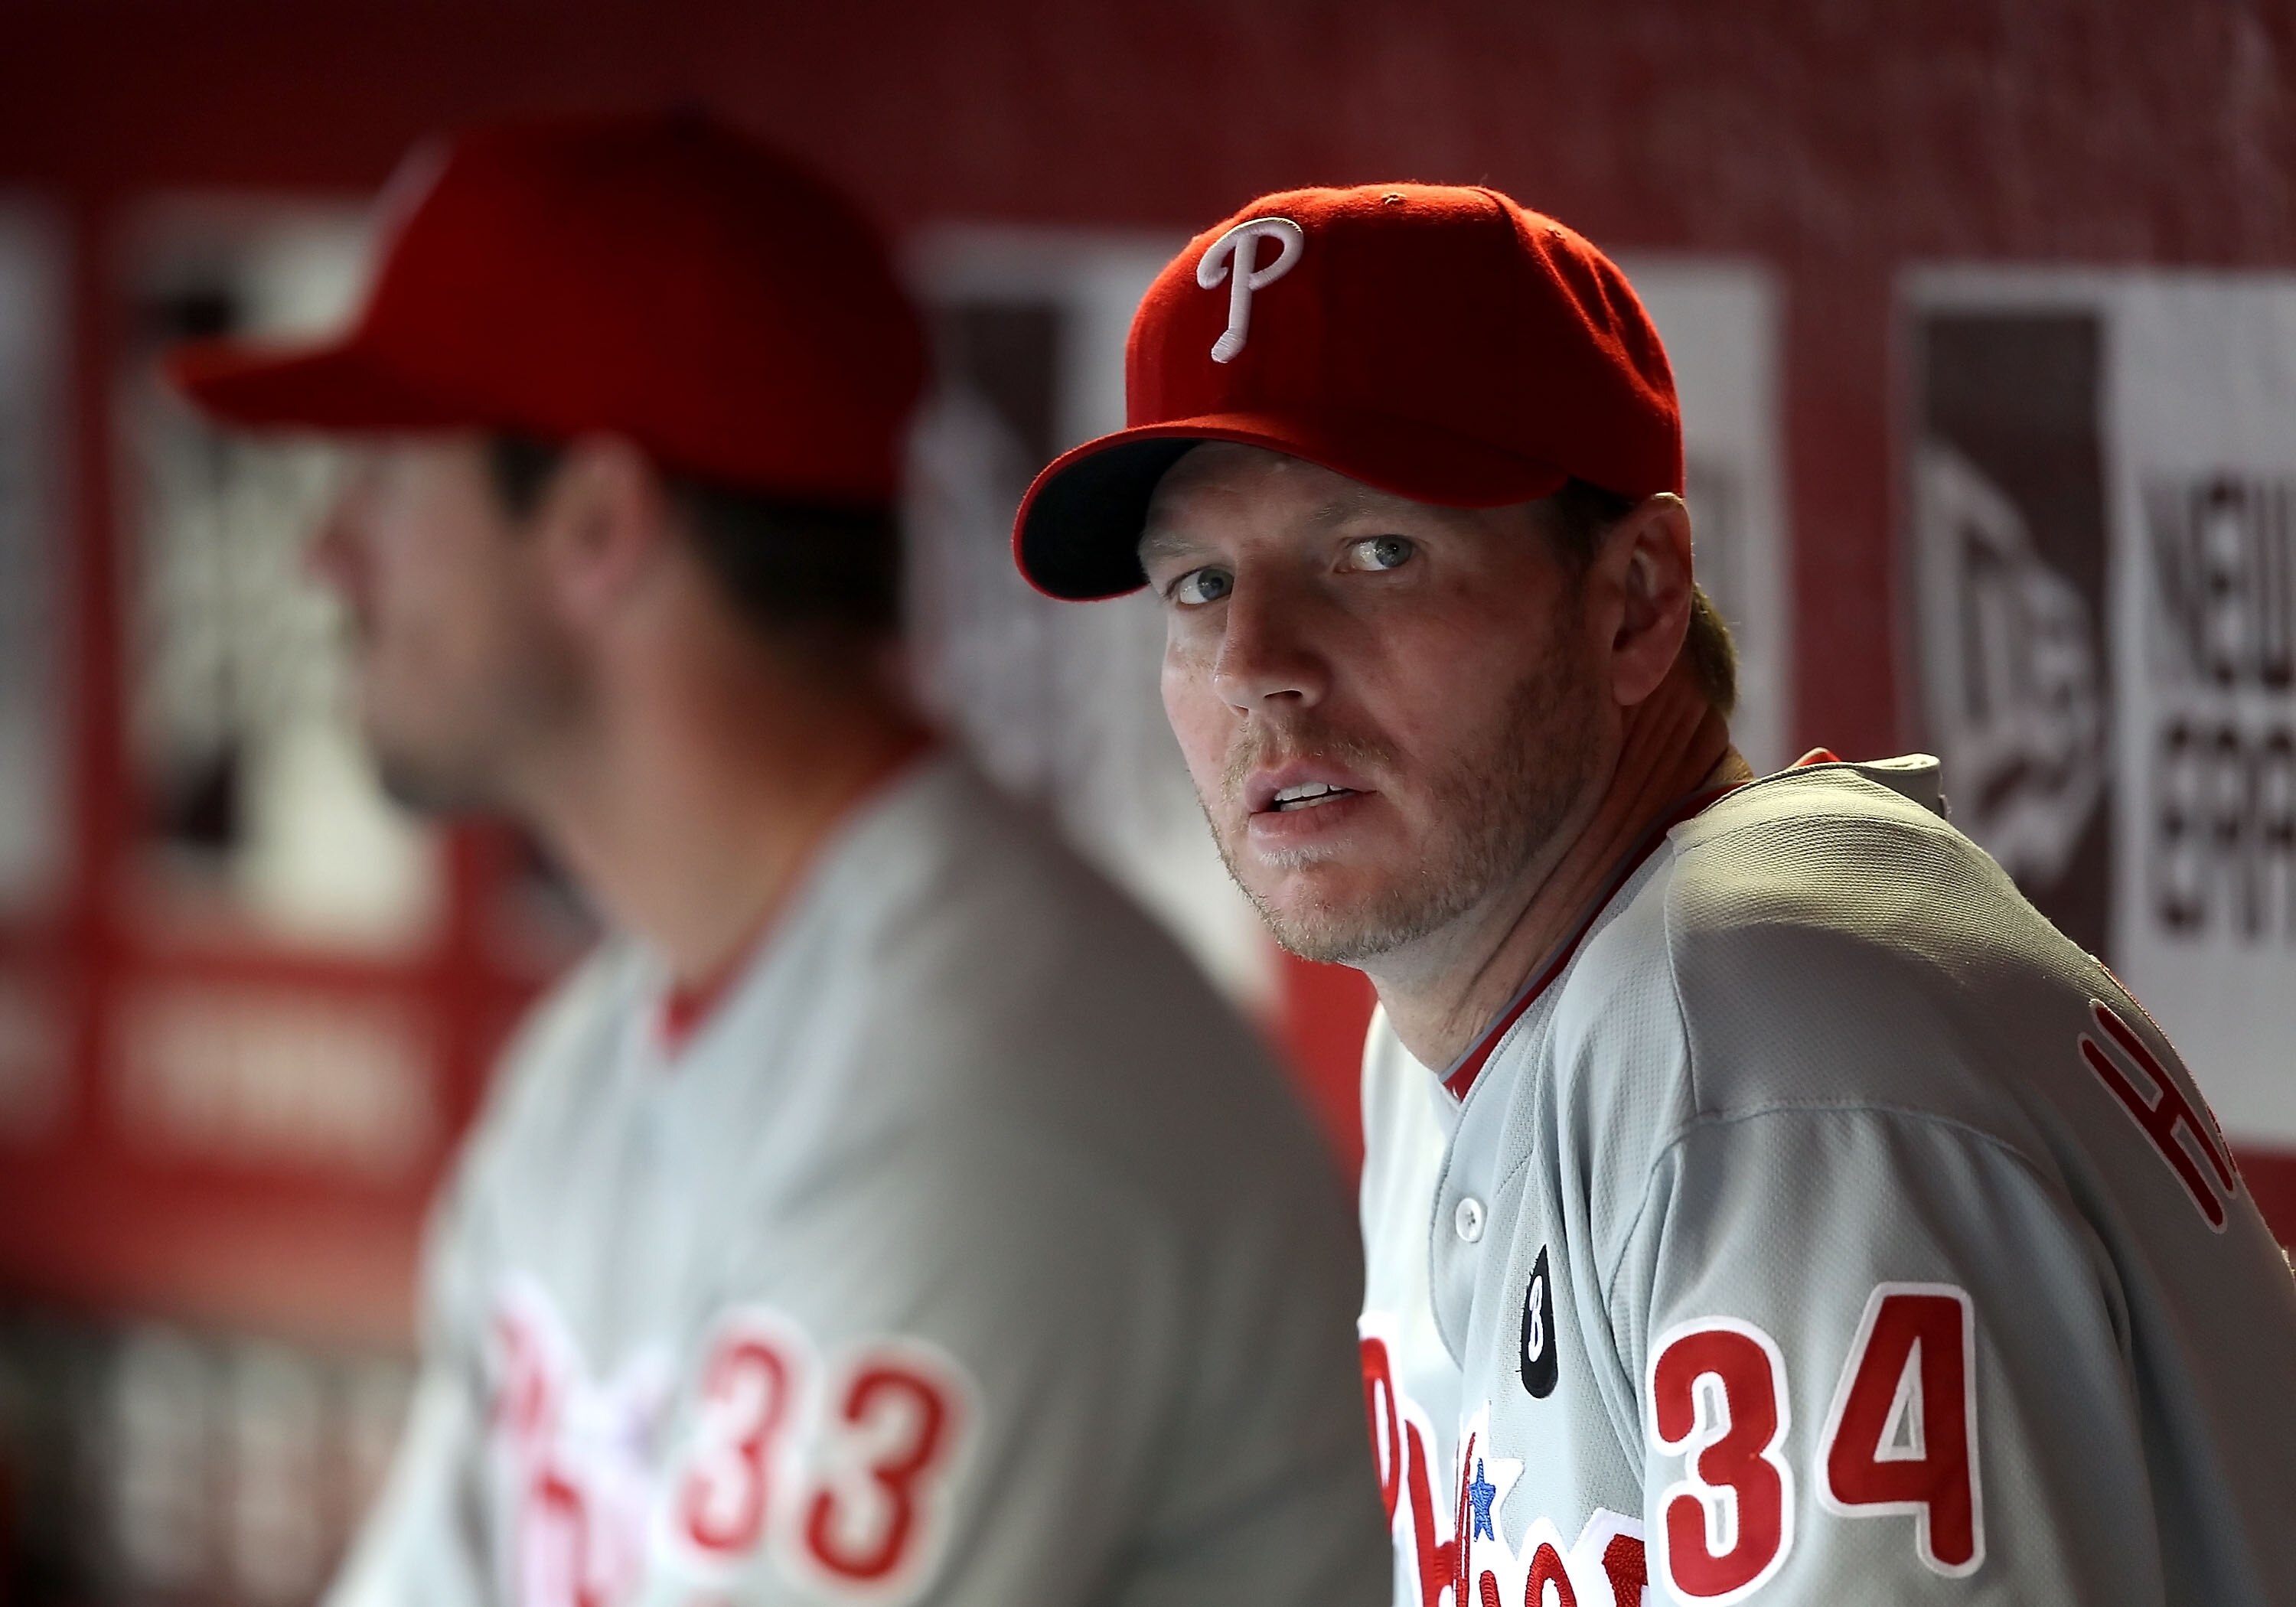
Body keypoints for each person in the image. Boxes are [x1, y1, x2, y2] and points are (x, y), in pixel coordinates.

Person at [1011, 183, 2296, 1605]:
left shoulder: (1764, 1050)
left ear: (1636, 599)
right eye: (1195, 586)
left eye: (1375, 554)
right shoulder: (1460, 1036)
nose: (1259, 659)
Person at [168, 115, 1390, 1607]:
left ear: (600, 522)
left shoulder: (993, 1090)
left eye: (391, 483)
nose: (328, 555)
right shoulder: (595, 1072)